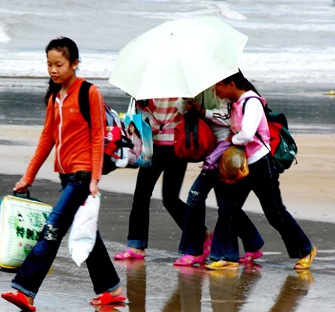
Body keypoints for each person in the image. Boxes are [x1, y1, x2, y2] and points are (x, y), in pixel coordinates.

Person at [1, 37, 125, 312]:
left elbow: (96, 137)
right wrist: (28, 177)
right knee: (85, 229)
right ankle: (112, 288)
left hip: (83, 176)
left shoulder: (89, 92)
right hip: (66, 175)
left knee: (52, 230)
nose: (53, 70)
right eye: (49, 64)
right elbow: (46, 140)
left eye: (59, 64)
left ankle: (25, 290)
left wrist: (94, 179)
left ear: (74, 64)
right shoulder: (55, 98)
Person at [206, 71, 317, 271]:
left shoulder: (252, 102)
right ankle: (230, 257)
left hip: (260, 164)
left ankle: (306, 250)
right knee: (228, 207)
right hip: (243, 165)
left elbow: (247, 134)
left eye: (218, 86)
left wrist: (232, 139)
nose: (215, 90)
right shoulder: (237, 103)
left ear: (231, 84)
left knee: (274, 213)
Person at [173, 87, 264, 267]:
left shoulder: (221, 86)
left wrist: (203, 111)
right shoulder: (194, 85)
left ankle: (195, 251)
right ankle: (252, 242)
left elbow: (228, 117)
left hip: (225, 146)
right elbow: (181, 109)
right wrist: (185, 97)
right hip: (209, 145)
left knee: (196, 196)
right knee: (226, 202)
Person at [113, 98, 188, 260]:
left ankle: (199, 233)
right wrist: (143, 101)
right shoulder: (155, 82)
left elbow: (186, 110)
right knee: (141, 194)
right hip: (152, 144)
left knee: (170, 199)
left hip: (177, 146)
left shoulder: (185, 86)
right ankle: (136, 245)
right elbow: (149, 107)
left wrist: (185, 100)